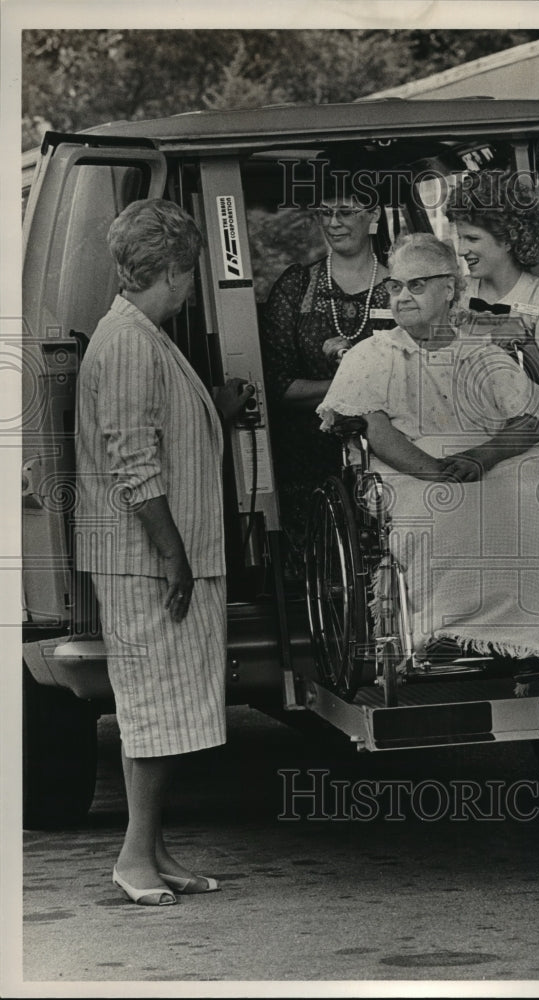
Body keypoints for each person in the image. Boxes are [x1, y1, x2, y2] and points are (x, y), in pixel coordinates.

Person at [75, 199, 251, 906]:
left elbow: (150, 427)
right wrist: (172, 555)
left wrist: (212, 406)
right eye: (190, 272)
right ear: (172, 269)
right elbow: (133, 460)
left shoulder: (141, 335)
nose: (190, 286)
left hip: (158, 553)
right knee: (151, 711)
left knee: (169, 709)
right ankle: (131, 858)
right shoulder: (128, 341)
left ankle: (153, 850)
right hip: (145, 559)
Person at [317, 233, 539, 673]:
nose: (402, 296)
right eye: (395, 287)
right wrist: (435, 470)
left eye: (416, 285)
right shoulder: (371, 355)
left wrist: (481, 458)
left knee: (538, 491)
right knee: (444, 506)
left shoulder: (480, 352)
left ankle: (529, 640)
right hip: (410, 467)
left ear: (450, 289)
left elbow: (530, 418)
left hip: (489, 459)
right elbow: (375, 429)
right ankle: (440, 632)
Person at [259, 176, 391, 579]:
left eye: (346, 212)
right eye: (325, 212)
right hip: (309, 466)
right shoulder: (296, 286)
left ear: (374, 215)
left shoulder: (402, 289)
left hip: (387, 455)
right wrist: (355, 385)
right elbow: (278, 385)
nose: (334, 222)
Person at [446, 170, 539, 395]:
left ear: (508, 238)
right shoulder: (458, 292)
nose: (461, 250)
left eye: (472, 238)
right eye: (460, 238)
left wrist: (525, 342)